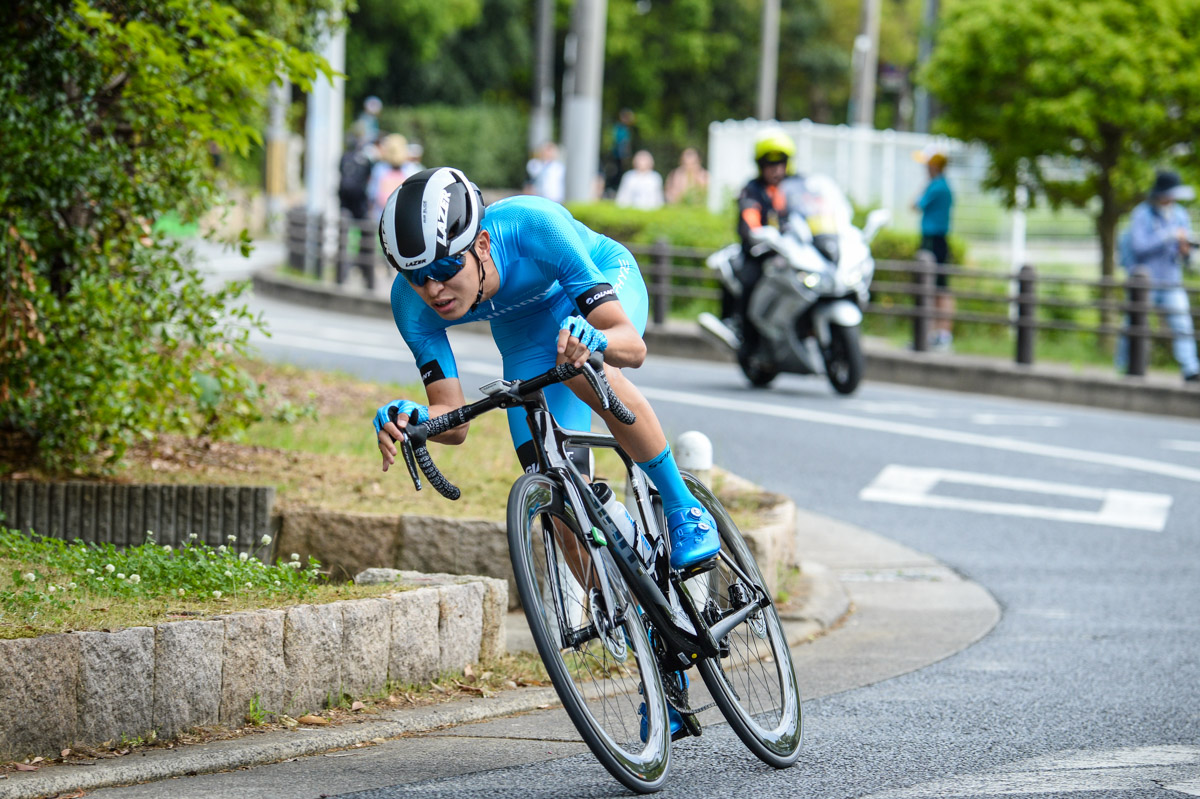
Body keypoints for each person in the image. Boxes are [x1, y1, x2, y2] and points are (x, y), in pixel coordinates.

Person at [372, 167, 720, 590]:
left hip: (598, 291)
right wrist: (414, 419)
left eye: (445, 267)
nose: (433, 289)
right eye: (416, 276)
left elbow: (632, 347)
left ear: (481, 244)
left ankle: (683, 508)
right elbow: (455, 421)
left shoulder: (533, 226)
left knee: (579, 367)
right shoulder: (409, 305)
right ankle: (637, 618)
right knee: (559, 504)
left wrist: (596, 338)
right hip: (526, 338)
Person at [1117, 170, 1200, 383]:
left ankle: (1191, 370)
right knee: (1134, 323)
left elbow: (1185, 253)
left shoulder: (1180, 214)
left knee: (1182, 324)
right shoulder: (1142, 214)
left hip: (1172, 279)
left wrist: (1185, 248)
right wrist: (1166, 236)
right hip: (1145, 283)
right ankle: (1127, 366)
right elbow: (1139, 246)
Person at [733, 128, 806, 356]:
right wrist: (757, 232)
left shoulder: (797, 186)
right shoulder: (752, 189)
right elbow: (749, 218)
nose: (775, 169)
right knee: (750, 280)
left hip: (793, 251)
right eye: (769, 164)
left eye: (780, 163)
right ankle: (748, 338)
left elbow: (814, 211)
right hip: (761, 252)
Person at [913, 148, 954, 350]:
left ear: (935, 166)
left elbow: (914, 205)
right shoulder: (944, 186)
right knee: (939, 287)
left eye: (927, 165)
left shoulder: (936, 186)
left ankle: (937, 335)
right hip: (939, 239)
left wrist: (924, 187)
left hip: (933, 240)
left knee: (936, 288)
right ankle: (936, 335)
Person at [368, 133, 409, 220]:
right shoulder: (412, 169)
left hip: (381, 217)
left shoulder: (379, 169)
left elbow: (371, 193)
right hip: (403, 218)